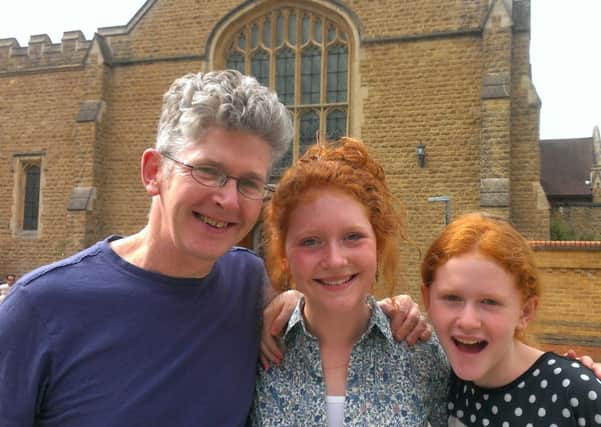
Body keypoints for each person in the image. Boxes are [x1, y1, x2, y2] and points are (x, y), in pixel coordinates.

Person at [0, 70, 425, 427]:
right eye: (208, 171)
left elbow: (324, 308)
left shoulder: (247, 284)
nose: (228, 199)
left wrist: (384, 309)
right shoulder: (39, 309)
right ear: (153, 172)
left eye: (249, 183)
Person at [251, 138, 450, 426]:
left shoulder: (419, 351)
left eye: (353, 237)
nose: (334, 260)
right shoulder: (258, 353)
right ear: (284, 257)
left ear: (378, 246)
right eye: (310, 241)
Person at [420, 212, 601, 426]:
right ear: (427, 300)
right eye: (452, 298)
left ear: (524, 312)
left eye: (489, 302)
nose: (468, 321)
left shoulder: (575, 395)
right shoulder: (432, 378)